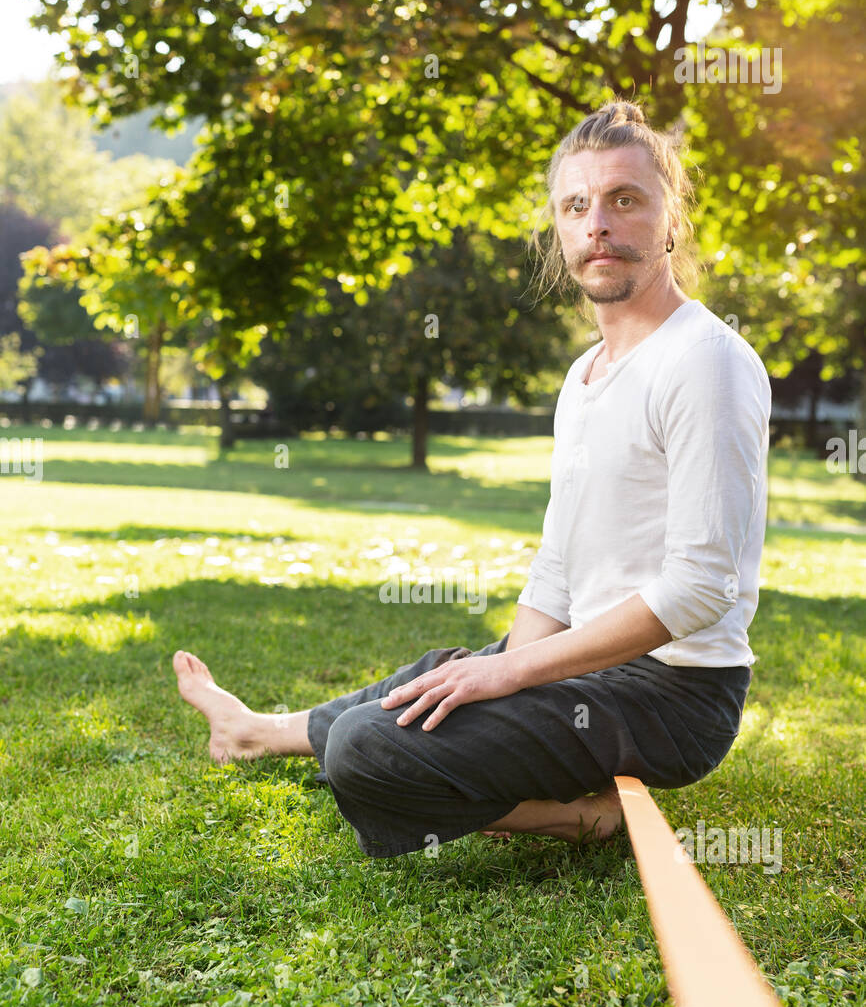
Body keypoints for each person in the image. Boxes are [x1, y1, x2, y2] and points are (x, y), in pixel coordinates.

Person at [174, 100, 771, 859]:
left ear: (670, 220)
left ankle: (581, 817)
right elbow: (559, 566)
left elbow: (701, 588)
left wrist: (514, 674)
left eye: (626, 200)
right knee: (441, 678)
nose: (599, 225)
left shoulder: (705, 361)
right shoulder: (584, 376)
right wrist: (499, 672)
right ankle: (259, 731)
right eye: (576, 205)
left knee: (369, 748)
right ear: (559, 228)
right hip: (593, 665)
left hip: (672, 697)